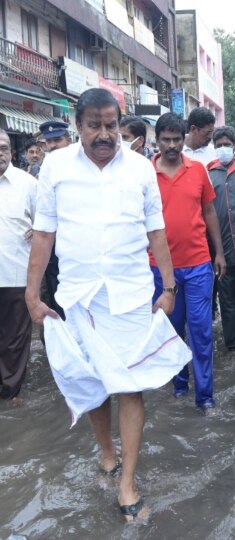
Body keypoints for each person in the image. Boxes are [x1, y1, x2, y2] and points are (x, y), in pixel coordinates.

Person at [25, 88, 188, 521]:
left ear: (121, 126)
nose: (103, 134)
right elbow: (44, 234)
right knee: (91, 380)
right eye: (94, 125)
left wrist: (168, 287)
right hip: (78, 296)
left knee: (129, 386)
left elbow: (157, 232)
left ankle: (128, 481)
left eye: (111, 125)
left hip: (130, 295)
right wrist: (31, 293)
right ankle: (106, 451)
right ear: (78, 126)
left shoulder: (139, 169)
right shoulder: (55, 167)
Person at [151, 112, 226, 415]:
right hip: (159, 268)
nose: (171, 145)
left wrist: (219, 253)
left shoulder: (197, 171)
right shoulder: (144, 173)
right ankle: (179, 386)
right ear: (156, 141)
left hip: (198, 265)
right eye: (165, 140)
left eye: (176, 139)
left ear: (184, 139)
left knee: (201, 331)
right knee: (171, 332)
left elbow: (209, 213)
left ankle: (205, 397)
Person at [206, 126, 235, 354]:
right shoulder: (208, 173)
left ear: (234, 145)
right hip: (222, 249)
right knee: (229, 300)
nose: (223, 148)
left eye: (227, 144)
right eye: (219, 145)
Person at [0, 130, 36, 401]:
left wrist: (38, 230)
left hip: (16, 274)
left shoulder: (27, 184)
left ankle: (12, 392)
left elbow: (47, 223)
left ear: (12, 152)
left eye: (3, 148)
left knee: (15, 339)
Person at [37, 121, 73, 323]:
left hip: (79, 250)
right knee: (57, 302)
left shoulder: (84, 170)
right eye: (49, 142)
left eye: (58, 140)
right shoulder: (42, 172)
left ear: (68, 140)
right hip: (53, 252)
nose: (53, 146)